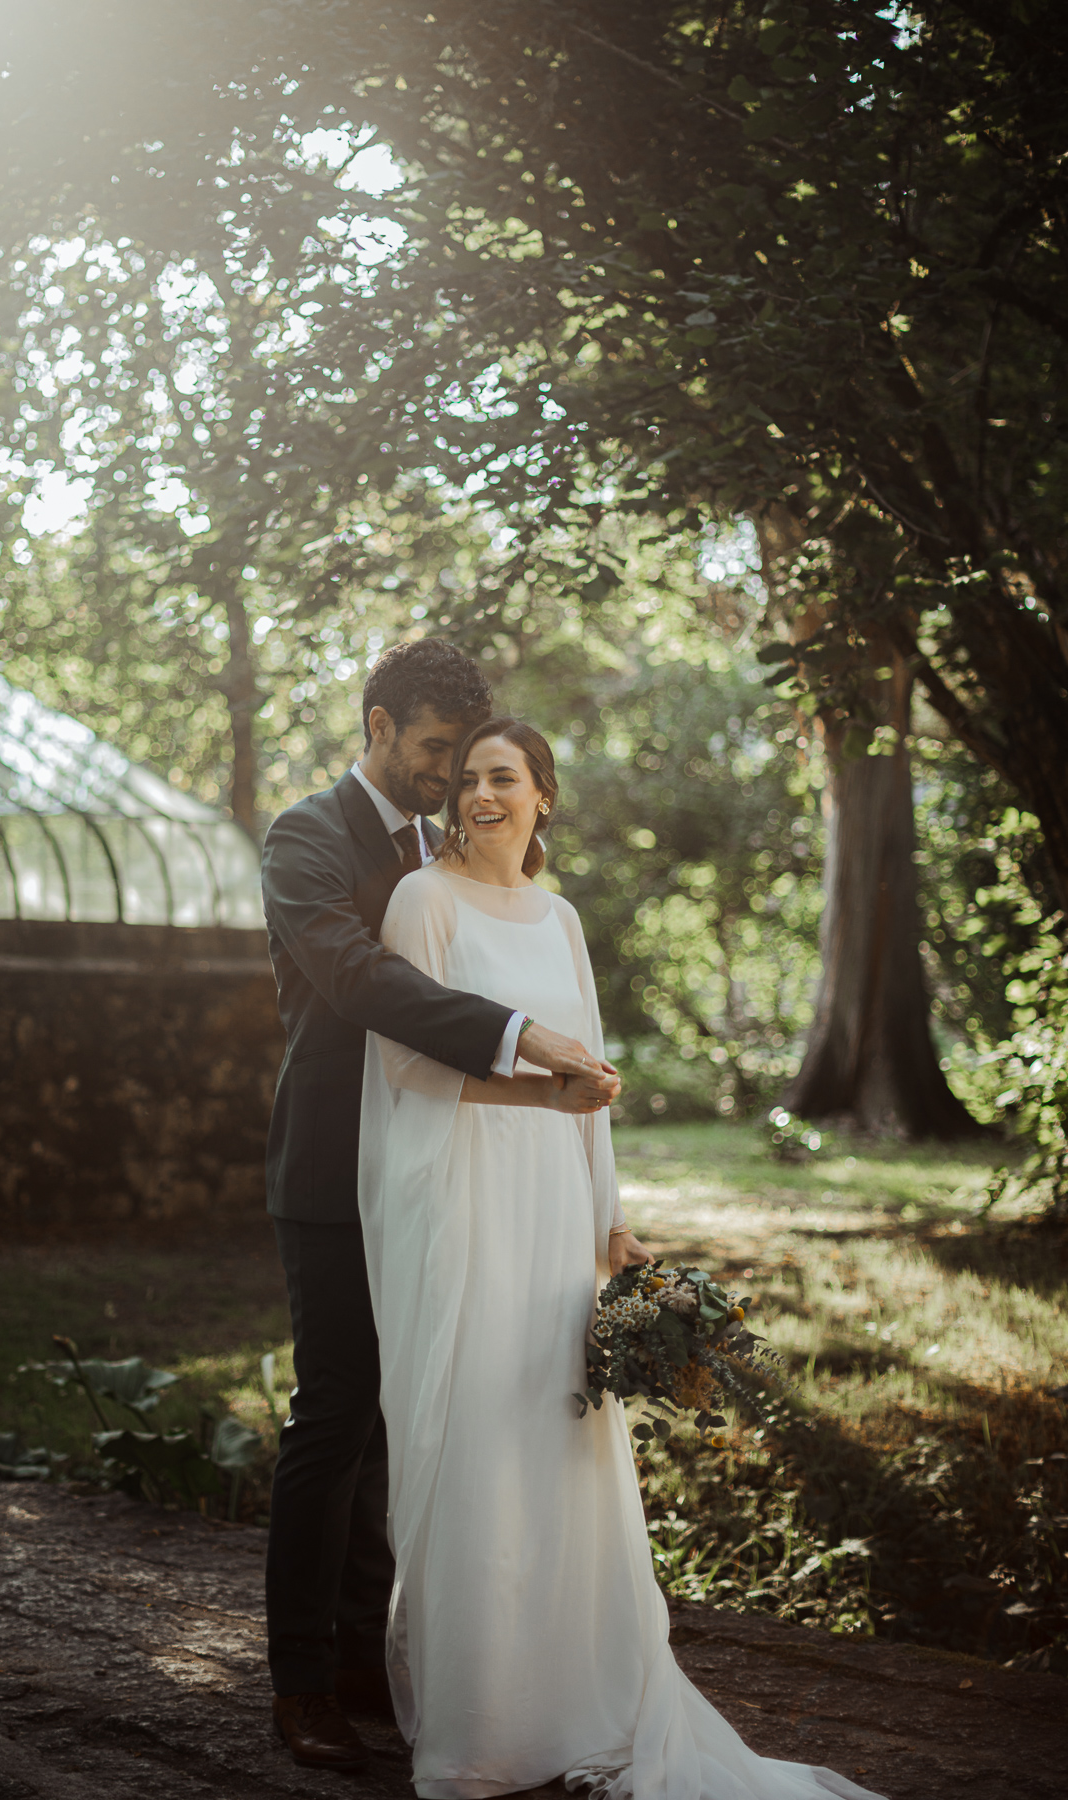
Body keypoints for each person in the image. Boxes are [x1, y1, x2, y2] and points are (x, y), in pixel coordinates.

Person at [358, 716, 887, 1800]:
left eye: (502, 778)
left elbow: (592, 1090)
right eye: (466, 782)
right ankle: (480, 1730)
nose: (479, 798)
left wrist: (609, 1219)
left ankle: (567, 1699)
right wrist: (539, 1094)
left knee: (553, 1431)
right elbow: (408, 1068)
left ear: (545, 793)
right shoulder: (423, 902)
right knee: (475, 1435)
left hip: (554, 1205)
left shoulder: (559, 919)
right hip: (462, 1198)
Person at [259, 643, 620, 1773]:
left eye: (463, 760)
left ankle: (375, 1657)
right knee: (335, 1415)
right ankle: (303, 1680)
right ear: (377, 725)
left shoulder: (447, 852)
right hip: (333, 1172)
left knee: (402, 1413)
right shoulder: (306, 837)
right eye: (430, 753)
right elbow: (361, 980)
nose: (450, 779)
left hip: (442, 1172)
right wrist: (521, 1041)